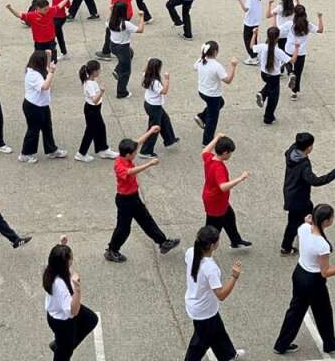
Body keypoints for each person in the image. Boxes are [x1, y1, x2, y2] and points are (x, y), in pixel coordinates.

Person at [272, 204, 335, 355]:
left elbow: (305, 222)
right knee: (323, 313)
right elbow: (325, 272)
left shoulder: (303, 228)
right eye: (332, 217)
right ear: (325, 221)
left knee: (295, 310)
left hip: (299, 273)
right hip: (313, 281)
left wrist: (307, 221)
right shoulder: (322, 245)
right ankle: (330, 344)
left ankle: (281, 344)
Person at [104, 125, 180, 262]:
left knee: (147, 220)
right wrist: (149, 164)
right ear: (128, 154)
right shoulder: (119, 165)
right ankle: (112, 250)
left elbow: (137, 143)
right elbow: (130, 172)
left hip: (133, 197)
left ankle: (163, 242)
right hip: (124, 200)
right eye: (133, 153)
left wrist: (151, 131)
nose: (135, 153)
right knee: (123, 228)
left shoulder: (126, 156)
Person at [183, 225, 245, 361]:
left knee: (218, 332)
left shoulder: (190, 252)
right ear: (212, 245)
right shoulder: (210, 268)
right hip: (204, 312)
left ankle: (229, 355)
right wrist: (234, 277)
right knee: (199, 344)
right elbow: (221, 295)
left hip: (199, 305)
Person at [44, 236, 100, 361]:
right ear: (65, 263)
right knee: (63, 355)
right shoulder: (60, 286)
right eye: (71, 258)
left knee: (91, 319)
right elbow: (72, 312)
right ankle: (62, 347)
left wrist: (61, 245)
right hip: (63, 322)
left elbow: (55, 257)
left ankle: (61, 345)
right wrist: (77, 288)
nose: (72, 260)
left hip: (55, 313)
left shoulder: (50, 268)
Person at [201, 134, 251, 248]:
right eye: (230, 152)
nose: (230, 155)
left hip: (216, 199)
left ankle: (236, 240)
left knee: (229, 217)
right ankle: (202, 250)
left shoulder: (210, 158)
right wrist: (240, 178)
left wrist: (216, 138)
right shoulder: (219, 167)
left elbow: (204, 151)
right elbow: (223, 186)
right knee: (212, 230)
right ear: (225, 153)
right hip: (216, 202)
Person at [194, 41, 239, 144]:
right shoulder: (216, 66)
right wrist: (233, 66)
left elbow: (195, 67)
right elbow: (227, 80)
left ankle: (201, 116)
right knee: (212, 119)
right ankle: (207, 141)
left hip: (202, 91)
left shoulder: (201, 61)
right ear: (215, 52)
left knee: (220, 103)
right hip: (212, 95)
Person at [253, 26, 296, 123]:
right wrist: (296, 49)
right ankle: (268, 117)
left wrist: (254, 34)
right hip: (274, 76)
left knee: (270, 87)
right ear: (277, 38)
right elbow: (292, 60)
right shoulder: (278, 51)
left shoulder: (263, 47)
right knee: (273, 97)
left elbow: (252, 46)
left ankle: (263, 93)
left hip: (264, 74)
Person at [138, 57, 175, 157]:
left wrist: (147, 62)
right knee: (154, 129)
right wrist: (167, 80)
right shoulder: (155, 82)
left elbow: (144, 70)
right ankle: (145, 151)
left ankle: (169, 139)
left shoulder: (146, 75)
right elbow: (164, 91)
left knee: (165, 119)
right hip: (155, 107)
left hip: (149, 103)